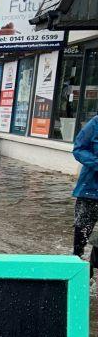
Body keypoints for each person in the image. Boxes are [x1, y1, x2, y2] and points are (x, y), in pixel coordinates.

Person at [71, 114, 98, 267]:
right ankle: (78, 269)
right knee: (81, 237)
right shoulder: (95, 123)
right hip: (91, 191)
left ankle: (93, 267)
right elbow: (79, 149)